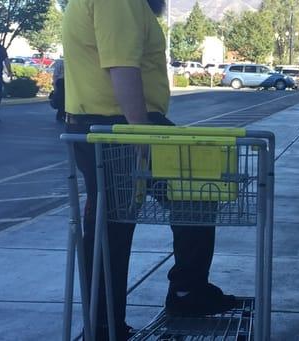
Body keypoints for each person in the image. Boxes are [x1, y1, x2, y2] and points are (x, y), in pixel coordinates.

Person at [62, 0, 236, 339]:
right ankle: (113, 320)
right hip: (119, 126)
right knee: (125, 221)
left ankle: (111, 319)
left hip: (109, 124)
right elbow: (122, 67)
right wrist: (140, 133)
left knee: (111, 225)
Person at [0, 44, 13, 122]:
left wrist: (9, 71)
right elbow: (6, 60)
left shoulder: (1, 49)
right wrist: (9, 72)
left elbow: (6, 60)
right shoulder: (1, 48)